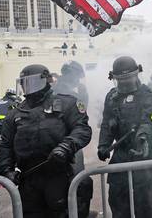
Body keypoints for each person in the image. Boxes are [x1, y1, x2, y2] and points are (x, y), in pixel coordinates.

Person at [0, 64, 92, 218]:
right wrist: (6, 171)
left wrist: (66, 147)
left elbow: (82, 129)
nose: (29, 88)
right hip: (28, 179)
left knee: (61, 213)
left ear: (46, 80)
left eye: (32, 83)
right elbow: (5, 145)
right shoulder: (15, 113)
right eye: (25, 83)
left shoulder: (66, 103)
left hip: (58, 174)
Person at [97, 56, 152, 218]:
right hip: (120, 154)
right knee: (118, 201)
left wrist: (142, 141)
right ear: (114, 79)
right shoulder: (111, 97)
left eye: (128, 79)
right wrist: (103, 145)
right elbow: (107, 124)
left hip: (142, 155)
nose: (124, 83)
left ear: (137, 75)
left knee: (144, 205)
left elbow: (149, 122)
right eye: (120, 80)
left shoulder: (148, 95)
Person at [53, 61, 93, 218]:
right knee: (77, 184)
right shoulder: (62, 92)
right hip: (67, 144)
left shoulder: (74, 90)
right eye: (77, 76)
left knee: (78, 183)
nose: (78, 80)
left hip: (70, 143)